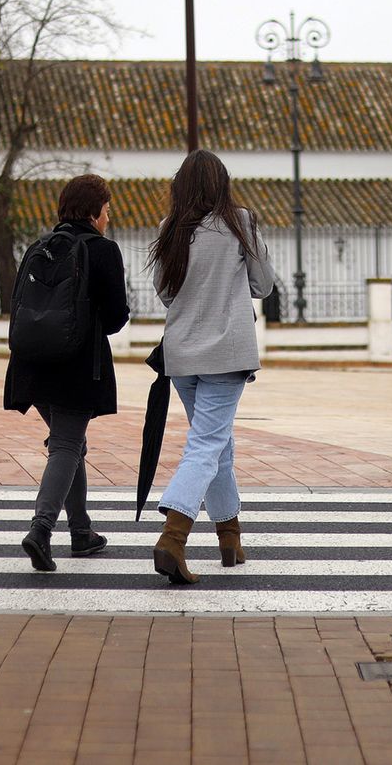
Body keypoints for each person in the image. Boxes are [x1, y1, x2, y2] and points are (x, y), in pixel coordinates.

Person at [148, 150, 277, 585]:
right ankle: (173, 535)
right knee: (206, 444)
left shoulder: (170, 228)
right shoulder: (241, 222)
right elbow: (263, 285)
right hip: (227, 353)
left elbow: (165, 293)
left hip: (181, 354)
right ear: (222, 183)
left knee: (216, 441)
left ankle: (229, 536)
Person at [3, 173, 130, 572]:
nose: (108, 219)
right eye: (107, 211)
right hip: (75, 369)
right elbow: (115, 319)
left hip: (31, 366)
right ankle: (41, 530)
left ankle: (81, 532)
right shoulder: (102, 250)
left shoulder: (38, 247)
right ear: (94, 213)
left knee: (72, 444)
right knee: (66, 445)